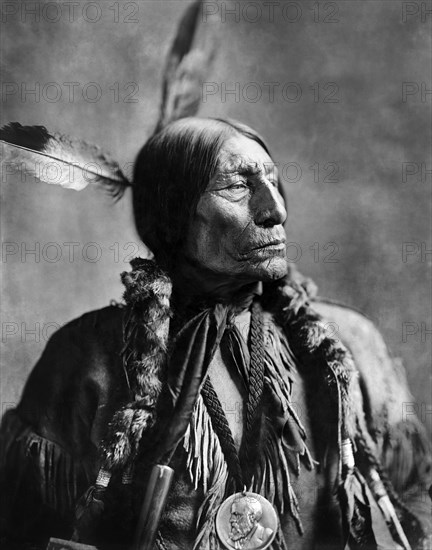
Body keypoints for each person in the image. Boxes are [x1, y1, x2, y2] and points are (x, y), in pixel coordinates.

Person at [0, 117, 430, 550]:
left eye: (273, 181)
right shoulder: (87, 354)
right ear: (175, 213)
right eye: (238, 187)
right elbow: (27, 531)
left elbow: (414, 497)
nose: (275, 209)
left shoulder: (348, 342)